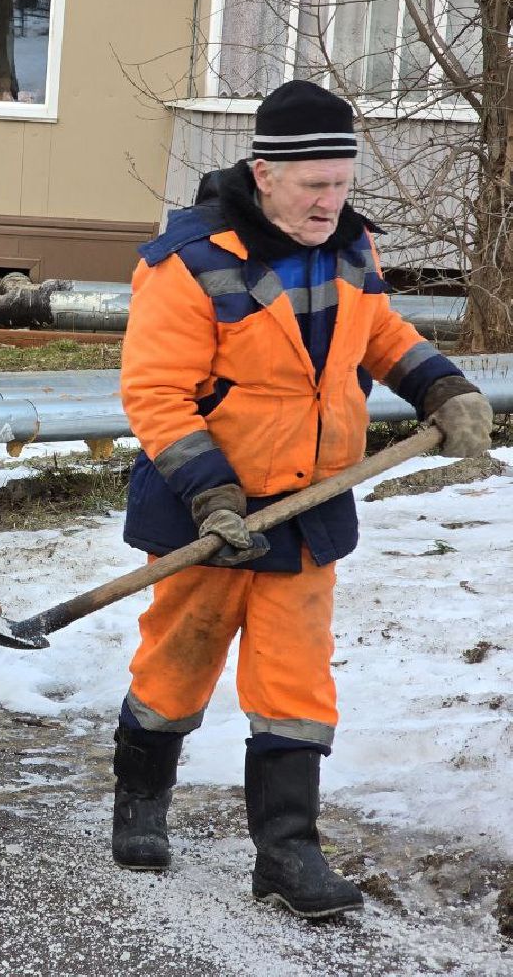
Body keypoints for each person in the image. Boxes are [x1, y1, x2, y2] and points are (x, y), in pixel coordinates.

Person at [112, 79, 494, 919]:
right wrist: (213, 497)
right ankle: (140, 803)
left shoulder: (351, 249)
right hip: (204, 507)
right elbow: (156, 394)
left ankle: (286, 852)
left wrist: (443, 387)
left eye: (343, 183)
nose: (332, 201)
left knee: (296, 684)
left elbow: (382, 333)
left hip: (311, 503)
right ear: (265, 174)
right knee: (177, 663)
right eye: (315, 185)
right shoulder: (191, 261)